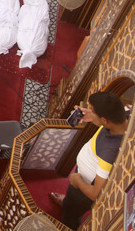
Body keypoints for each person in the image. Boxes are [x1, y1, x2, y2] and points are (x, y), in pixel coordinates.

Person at [50, 91, 128, 229]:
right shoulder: (124, 117)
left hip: (83, 189)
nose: (89, 112)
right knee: (70, 203)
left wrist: (77, 181)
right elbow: (109, 123)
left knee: (71, 215)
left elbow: (94, 194)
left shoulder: (109, 152)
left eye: (92, 110)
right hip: (81, 176)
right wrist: (93, 117)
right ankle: (67, 202)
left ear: (104, 120)